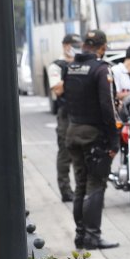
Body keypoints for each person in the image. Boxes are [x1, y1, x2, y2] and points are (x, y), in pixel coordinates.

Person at [64, 30, 120, 250]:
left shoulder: (71, 68)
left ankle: (80, 235)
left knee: (80, 185)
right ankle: (93, 237)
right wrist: (114, 140)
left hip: (73, 131)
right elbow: (108, 108)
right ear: (102, 47)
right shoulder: (101, 69)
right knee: (96, 185)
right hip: (93, 135)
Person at [48, 34, 81, 203]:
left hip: (82, 112)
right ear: (65, 46)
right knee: (65, 152)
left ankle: (82, 189)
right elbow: (58, 90)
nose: (75, 48)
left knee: (82, 152)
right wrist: (73, 72)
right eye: (73, 45)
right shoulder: (57, 66)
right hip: (66, 114)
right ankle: (66, 190)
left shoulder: (81, 63)